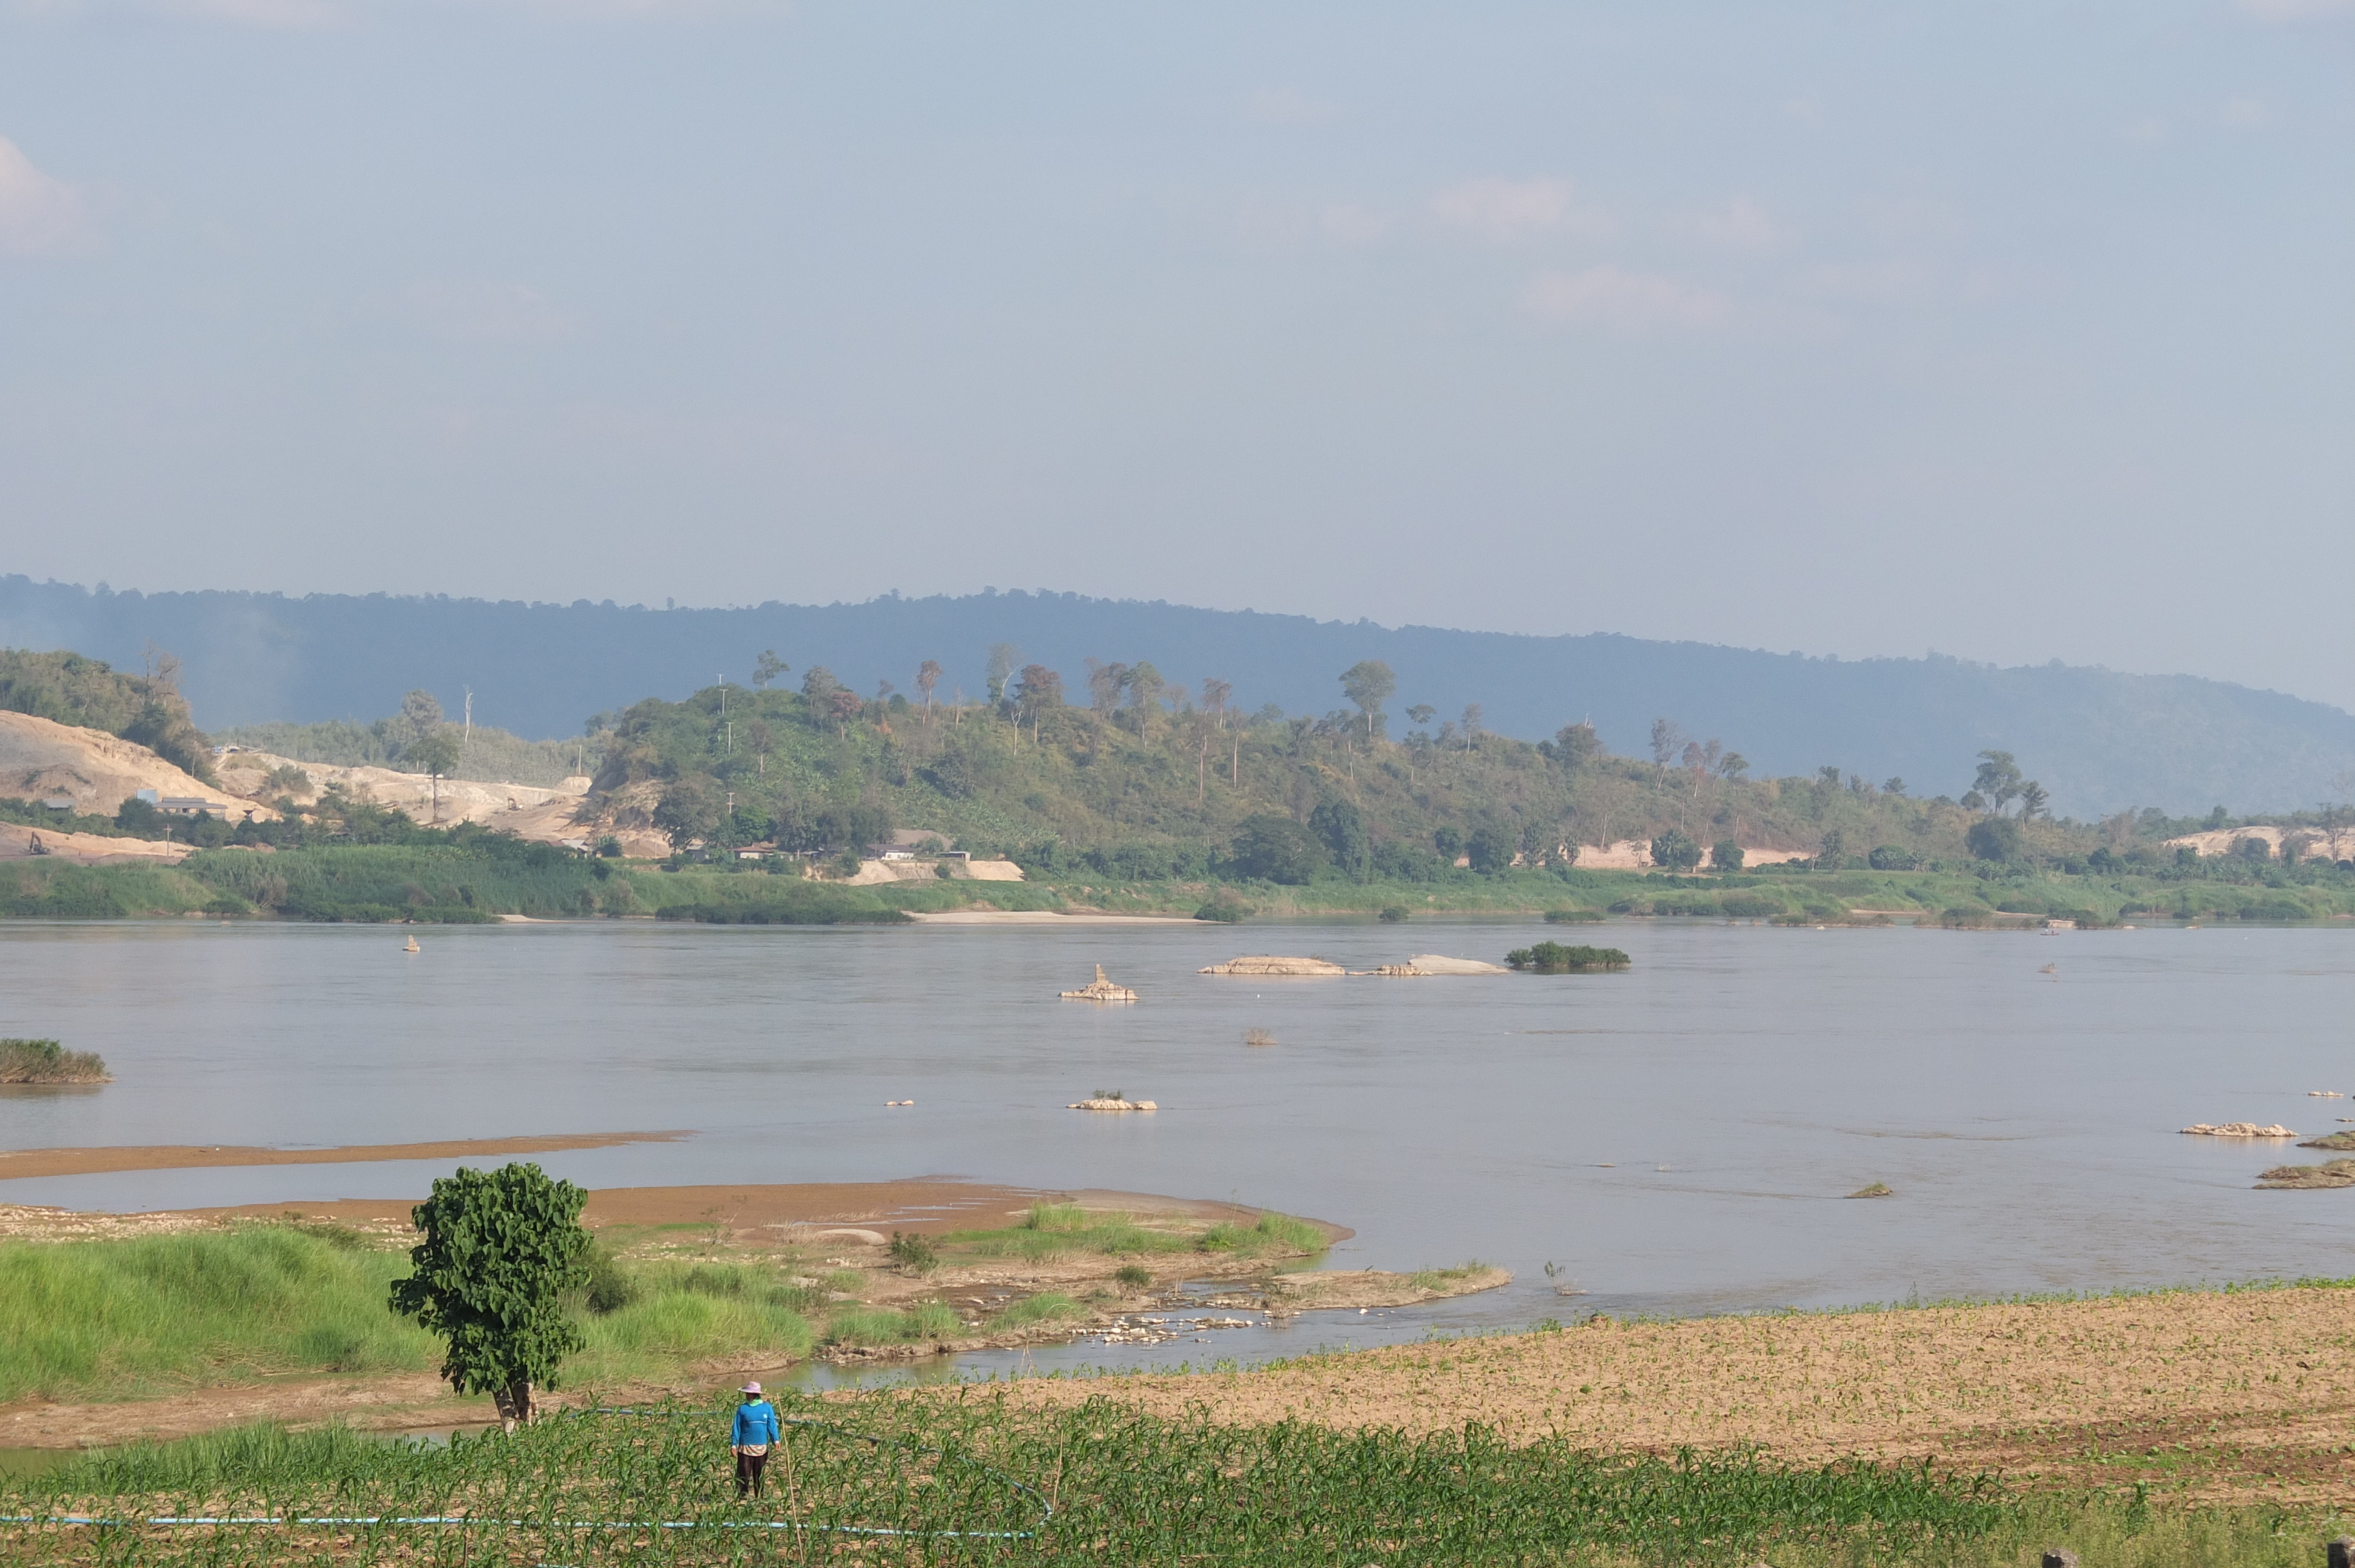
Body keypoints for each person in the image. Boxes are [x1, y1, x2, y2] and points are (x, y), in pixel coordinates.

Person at [731, 1381, 781, 1499]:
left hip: (761, 1448)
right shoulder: (743, 1409)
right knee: (744, 1473)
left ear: (756, 1394)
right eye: (747, 1393)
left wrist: (776, 1440)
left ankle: (760, 1497)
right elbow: (737, 1427)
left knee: (759, 1474)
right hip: (745, 1448)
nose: (748, 1396)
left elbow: (771, 1425)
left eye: (750, 1394)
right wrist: (734, 1444)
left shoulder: (767, 1408)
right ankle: (743, 1496)